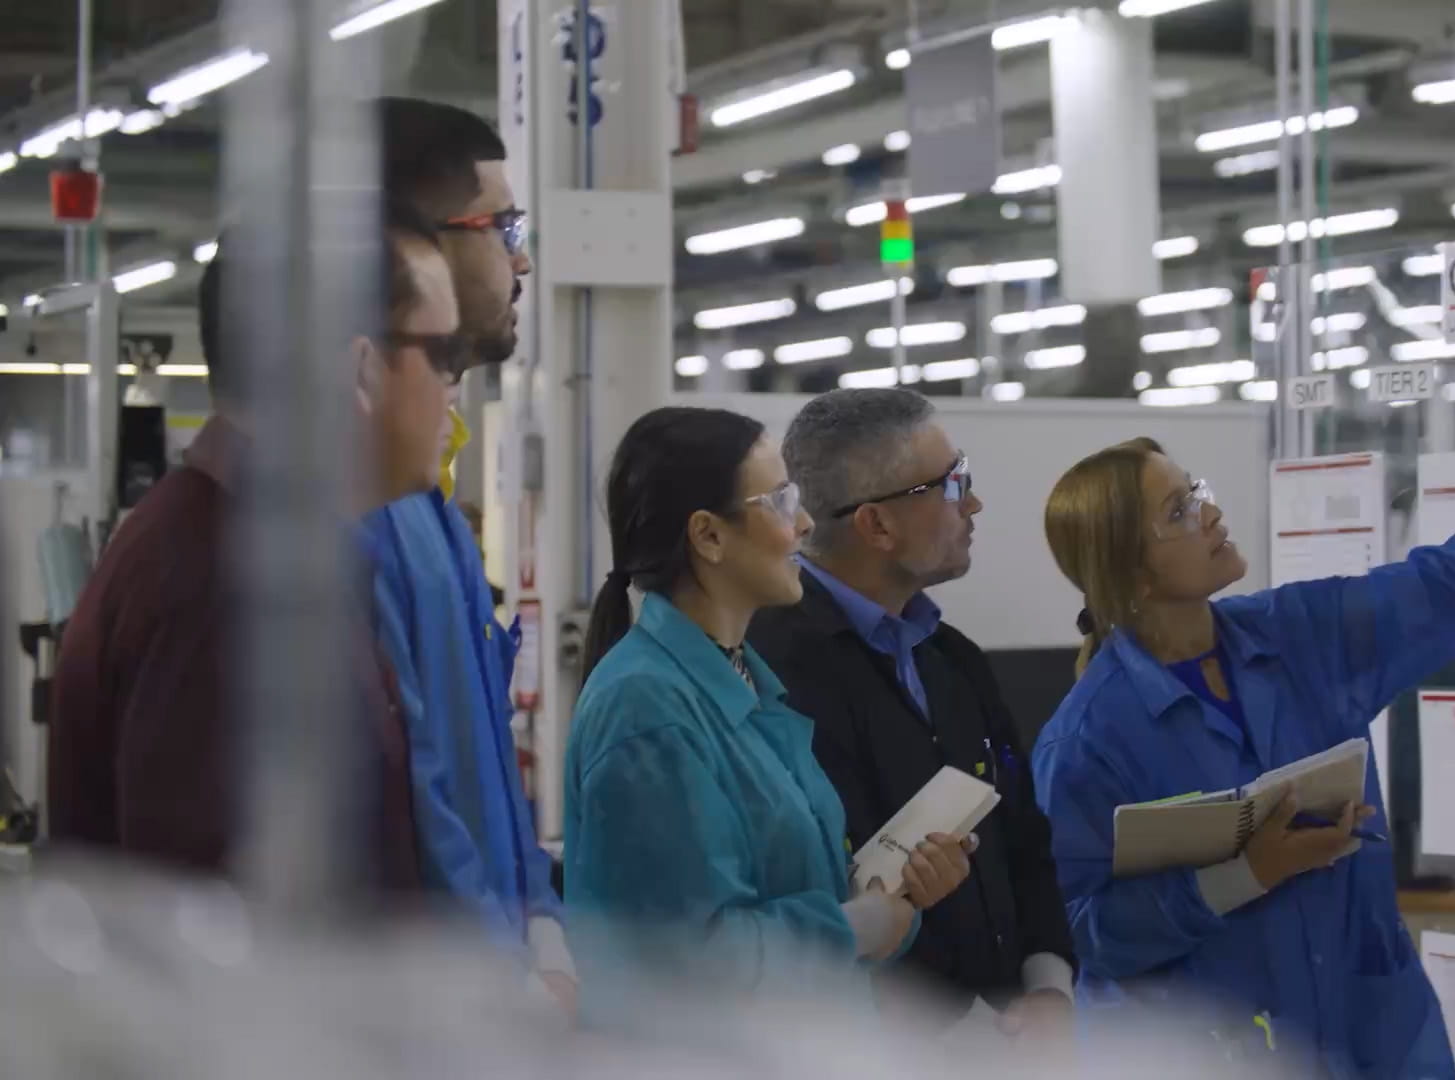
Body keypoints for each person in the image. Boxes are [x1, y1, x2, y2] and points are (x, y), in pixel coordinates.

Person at [1032, 363, 1455, 1075]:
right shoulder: (1089, 739)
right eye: (1179, 513)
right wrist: (1244, 875)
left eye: (1197, 493)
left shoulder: (1298, 635)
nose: (1210, 514)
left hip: (1372, 1033)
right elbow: (1079, 933)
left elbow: (1440, 584)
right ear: (1135, 574)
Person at [47, 202, 468, 895]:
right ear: (360, 369)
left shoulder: (249, 547)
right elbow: (220, 954)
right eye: (443, 353)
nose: (455, 386)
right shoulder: (228, 586)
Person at [562, 407, 973, 1027]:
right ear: (708, 536)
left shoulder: (746, 685)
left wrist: (889, 896)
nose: (805, 524)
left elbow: (792, 901)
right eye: (780, 502)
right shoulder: (646, 707)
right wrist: (855, 927)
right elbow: (690, 960)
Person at [748, 389, 1077, 1039]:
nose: (974, 504)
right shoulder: (773, 675)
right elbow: (820, 895)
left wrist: (1049, 989)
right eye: (953, 484)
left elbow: (1023, 843)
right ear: (877, 526)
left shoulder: (952, 661)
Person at [360, 96, 571, 1008]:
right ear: (414, 241)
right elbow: (414, 787)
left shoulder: (433, 494)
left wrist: (544, 930)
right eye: (505, 226)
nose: (522, 259)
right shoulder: (360, 503)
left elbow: (480, 752)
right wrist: (509, 980)